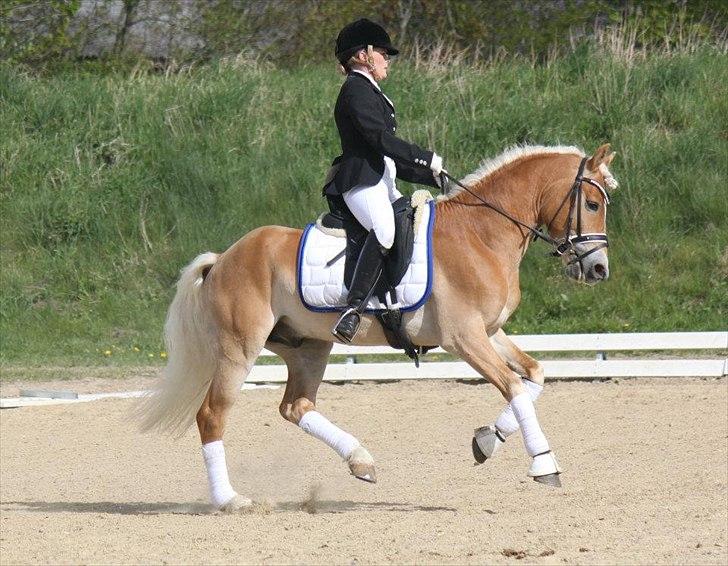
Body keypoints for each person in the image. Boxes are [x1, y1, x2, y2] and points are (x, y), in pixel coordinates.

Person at [323, 18, 445, 343]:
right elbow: (379, 140)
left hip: (380, 178)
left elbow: (388, 160)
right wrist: (423, 156)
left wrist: (433, 177)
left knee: (417, 224)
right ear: (363, 54)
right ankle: (353, 310)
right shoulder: (355, 90)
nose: (387, 59)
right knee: (385, 229)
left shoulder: (372, 92)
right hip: (361, 182)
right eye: (383, 53)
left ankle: (399, 302)